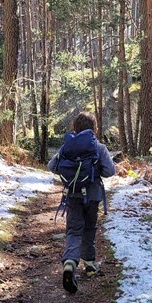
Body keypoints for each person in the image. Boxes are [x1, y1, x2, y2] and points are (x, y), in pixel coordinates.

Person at [48, 112, 115, 293]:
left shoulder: (67, 147)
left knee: (74, 230)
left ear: (74, 129)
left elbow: (52, 166)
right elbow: (110, 171)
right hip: (92, 196)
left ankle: (70, 262)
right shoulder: (99, 148)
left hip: (72, 196)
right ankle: (90, 263)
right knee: (89, 228)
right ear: (94, 128)